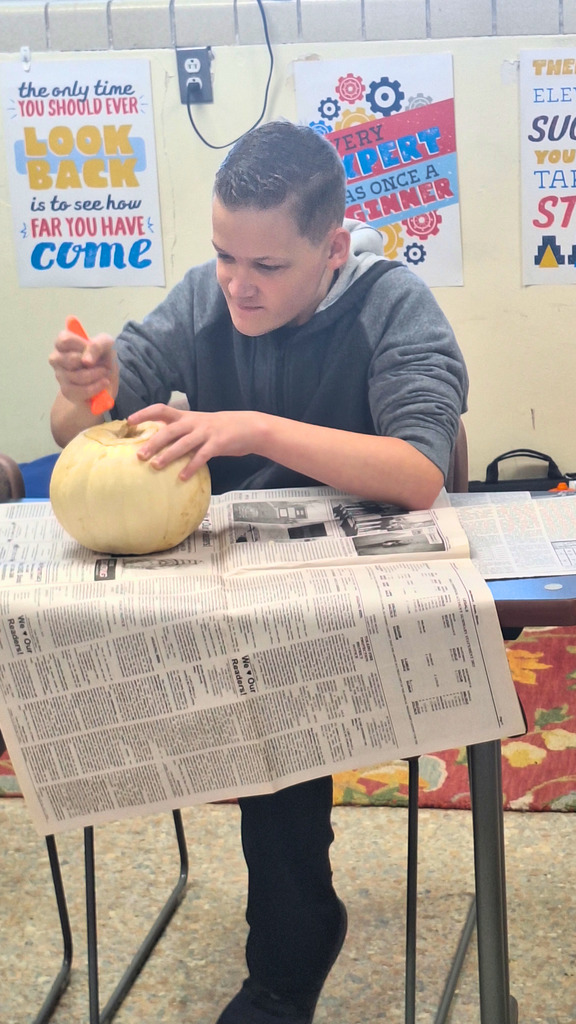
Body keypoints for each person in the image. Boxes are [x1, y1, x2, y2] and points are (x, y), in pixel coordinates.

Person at [49, 119, 468, 1024]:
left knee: (276, 681)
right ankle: (290, 920)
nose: (238, 284)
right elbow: (87, 429)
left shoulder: (393, 305)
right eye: (223, 255)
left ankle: (288, 954)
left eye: (267, 268)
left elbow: (420, 473)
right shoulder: (208, 295)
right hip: (234, 593)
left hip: (362, 603)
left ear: (330, 247)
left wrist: (254, 429)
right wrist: (83, 389)